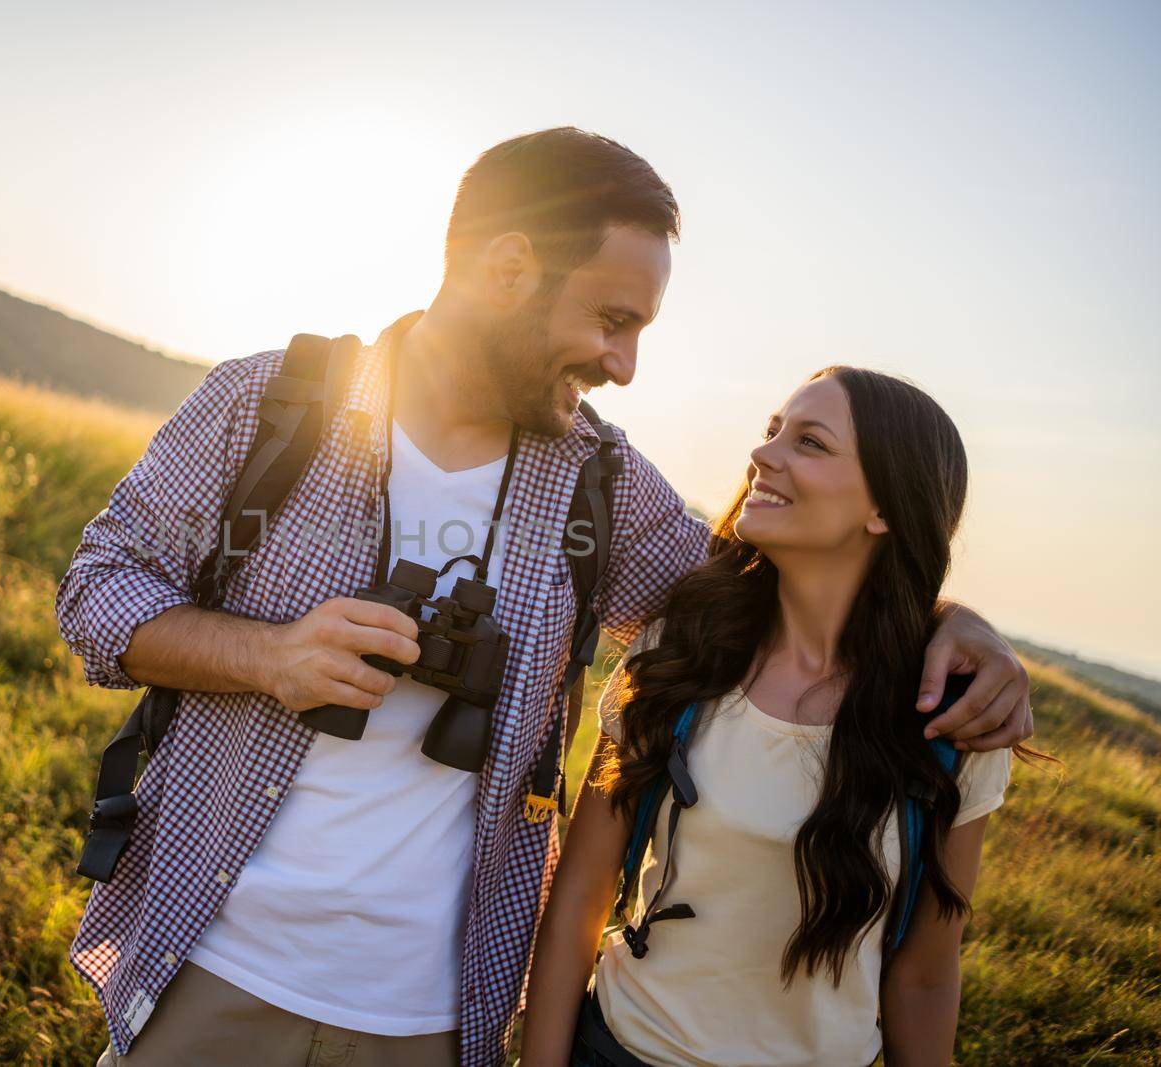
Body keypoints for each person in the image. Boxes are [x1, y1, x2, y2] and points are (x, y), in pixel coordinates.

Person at [54, 128, 1035, 1067]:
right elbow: (97, 591)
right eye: (613, 320)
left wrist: (953, 623)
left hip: (435, 1018)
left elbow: (777, 592)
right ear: (508, 269)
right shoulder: (265, 406)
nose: (623, 364)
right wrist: (265, 655)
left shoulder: (600, 485)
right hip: (208, 973)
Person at [521, 367, 1029, 1067]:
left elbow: (927, 973)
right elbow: (578, 897)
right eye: (771, 431)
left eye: (811, 442)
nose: (763, 455)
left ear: (884, 507)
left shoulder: (949, 718)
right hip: (618, 1048)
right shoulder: (683, 648)